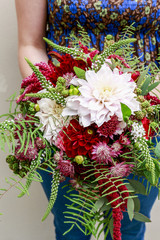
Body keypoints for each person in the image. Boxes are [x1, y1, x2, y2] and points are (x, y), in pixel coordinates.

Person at [15, 0, 160, 239]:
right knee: (72, 228)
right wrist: (56, 105)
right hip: (62, 122)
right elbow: (30, 42)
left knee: (128, 228)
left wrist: (141, 107)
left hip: (145, 120)